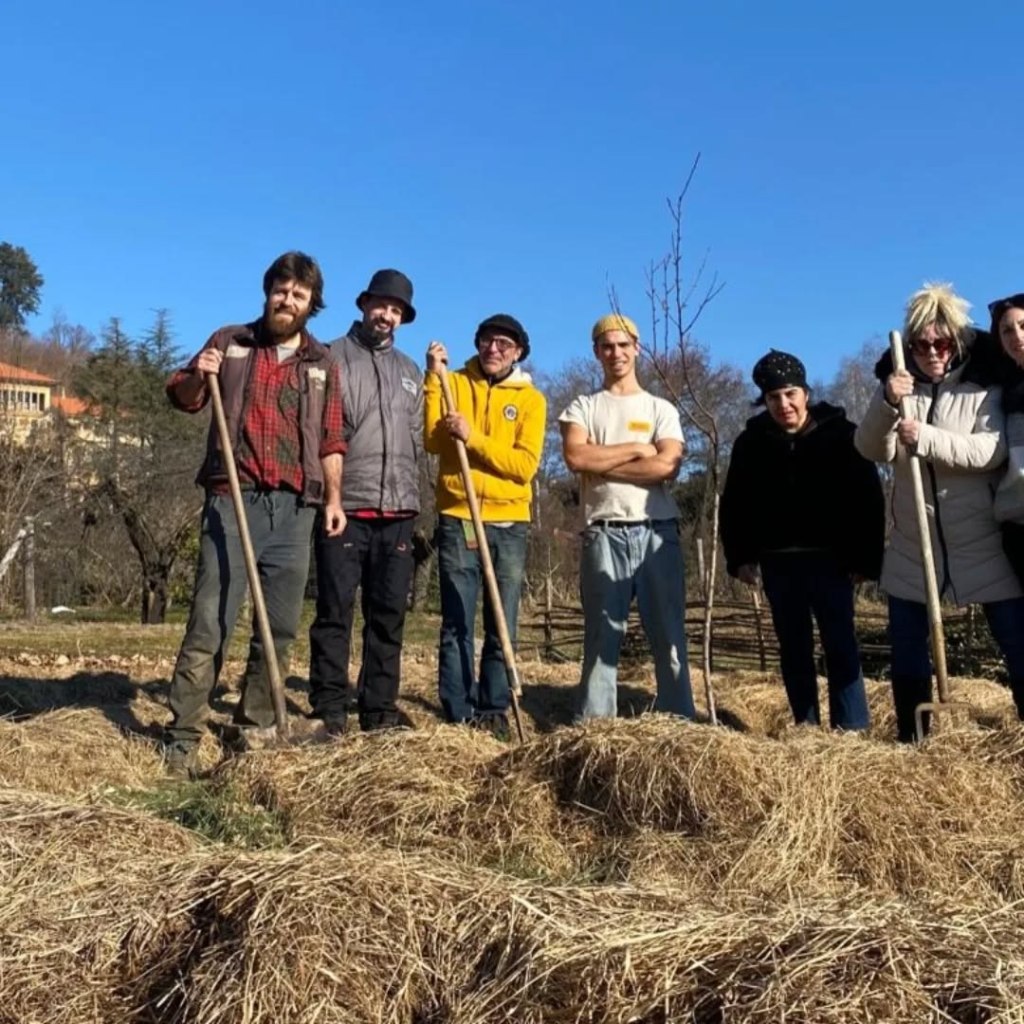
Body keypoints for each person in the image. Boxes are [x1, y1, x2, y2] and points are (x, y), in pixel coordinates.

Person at [162, 251, 345, 775]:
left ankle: (255, 727)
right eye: (281, 290)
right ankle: (182, 737)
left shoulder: (322, 365)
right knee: (210, 620)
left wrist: (332, 500)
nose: (288, 300)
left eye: (299, 294)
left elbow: (333, 440)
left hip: (294, 509)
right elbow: (185, 396)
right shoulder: (230, 342)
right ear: (268, 292)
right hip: (231, 497)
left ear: (312, 305)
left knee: (280, 628)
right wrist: (200, 373)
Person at [855, 282, 1024, 741]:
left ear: (957, 342)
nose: (933, 351)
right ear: (910, 346)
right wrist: (888, 402)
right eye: (923, 344)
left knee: (1016, 642)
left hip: (981, 543)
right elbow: (870, 448)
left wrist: (926, 438)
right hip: (914, 547)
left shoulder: (981, 387)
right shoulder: (898, 390)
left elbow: (991, 450)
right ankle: (914, 740)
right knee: (908, 653)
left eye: (942, 342)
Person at [720, 350, 884, 730]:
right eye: (774, 397)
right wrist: (740, 556)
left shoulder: (843, 435)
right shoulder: (751, 443)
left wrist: (866, 559)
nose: (783, 404)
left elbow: (868, 499)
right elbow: (736, 504)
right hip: (779, 561)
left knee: (841, 645)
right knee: (794, 649)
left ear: (806, 393)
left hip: (832, 560)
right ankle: (805, 726)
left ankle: (852, 730)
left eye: (790, 394)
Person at [559, 312, 696, 721]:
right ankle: (596, 729)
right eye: (607, 346)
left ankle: (679, 724)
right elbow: (576, 455)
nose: (615, 353)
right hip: (603, 531)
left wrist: (602, 464)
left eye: (623, 345)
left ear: (637, 348)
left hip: (657, 533)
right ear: (596, 353)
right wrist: (638, 450)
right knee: (602, 637)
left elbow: (666, 467)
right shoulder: (583, 406)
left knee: (669, 634)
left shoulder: (660, 408)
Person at [307, 269, 423, 734]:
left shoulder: (410, 373)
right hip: (346, 505)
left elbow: (416, 437)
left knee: (389, 614)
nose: (387, 315)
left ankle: (379, 710)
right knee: (335, 610)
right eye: (381, 305)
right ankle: (330, 707)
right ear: (363, 304)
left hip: (398, 509)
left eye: (396, 310)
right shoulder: (331, 357)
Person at [424, 315, 545, 738]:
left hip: (508, 522)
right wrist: (431, 379)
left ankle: (495, 709)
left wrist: (473, 437)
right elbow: (434, 442)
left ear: (518, 352)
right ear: (476, 343)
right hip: (461, 517)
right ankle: (457, 710)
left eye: (504, 344)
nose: (494, 349)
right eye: (487, 341)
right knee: (457, 616)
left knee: (501, 618)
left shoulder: (532, 401)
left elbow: (523, 466)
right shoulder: (452, 384)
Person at [988, 293, 1024, 589]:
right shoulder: (1004, 388)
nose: (1017, 336)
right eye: (1007, 330)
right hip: (1019, 527)